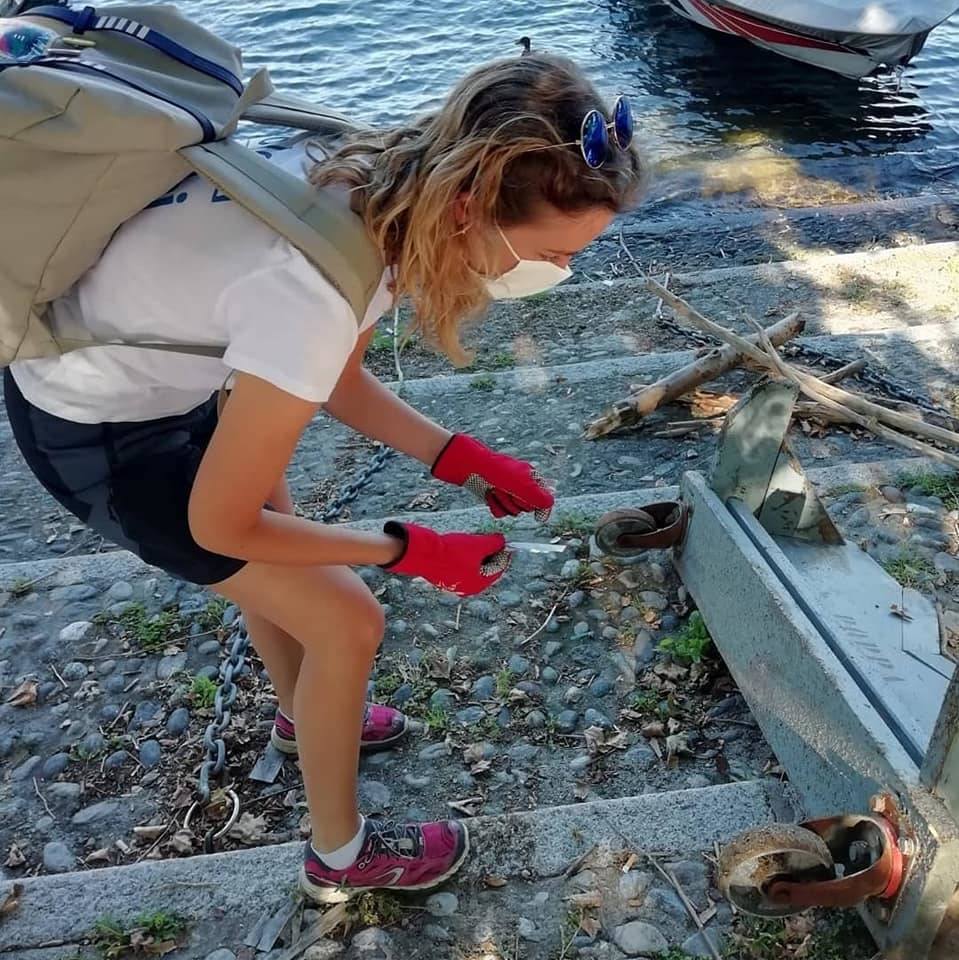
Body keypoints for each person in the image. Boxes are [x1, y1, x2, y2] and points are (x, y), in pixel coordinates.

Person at [4, 51, 645, 900]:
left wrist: (456, 457)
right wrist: (408, 547)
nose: (561, 274)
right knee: (346, 617)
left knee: (286, 555)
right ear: (470, 208)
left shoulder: (362, 180)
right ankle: (339, 858)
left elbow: (333, 376)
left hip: (154, 380)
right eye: (554, 253)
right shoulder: (308, 289)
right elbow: (219, 528)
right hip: (98, 434)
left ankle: (304, 718)